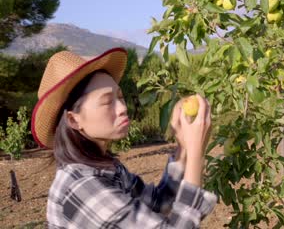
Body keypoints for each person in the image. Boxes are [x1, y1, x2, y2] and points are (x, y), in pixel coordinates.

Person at [31, 47, 216, 228]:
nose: (122, 108)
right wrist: (195, 153)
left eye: (120, 97)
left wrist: (183, 148)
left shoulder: (108, 169)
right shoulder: (83, 187)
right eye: (107, 101)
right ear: (73, 119)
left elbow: (159, 205)